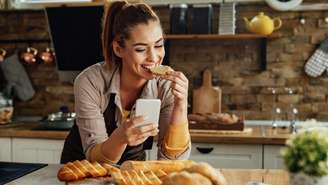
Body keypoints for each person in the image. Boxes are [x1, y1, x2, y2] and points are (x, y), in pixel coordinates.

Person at [60, 0, 191, 164]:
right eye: (141, 49)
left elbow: (172, 161)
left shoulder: (165, 86)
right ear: (118, 49)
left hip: (132, 169)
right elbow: (95, 158)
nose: (153, 57)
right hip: (82, 169)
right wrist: (121, 137)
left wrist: (180, 104)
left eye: (158, 45)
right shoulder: (90, 82)